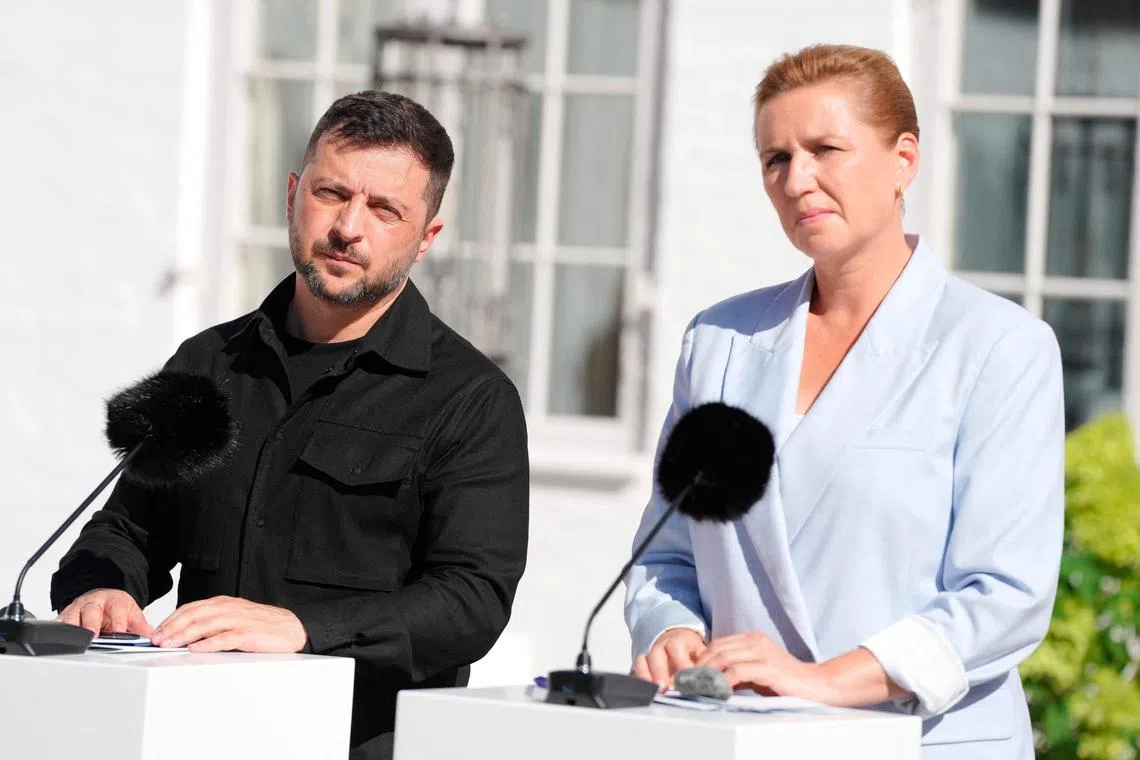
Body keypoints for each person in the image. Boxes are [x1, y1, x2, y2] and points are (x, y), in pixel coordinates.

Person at [51, 91, 530, 760]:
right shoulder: (206, 363)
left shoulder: (472, 399)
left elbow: (470, 602)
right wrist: (102, 589)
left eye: (384, 209)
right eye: (332, 194)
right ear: (292, 195)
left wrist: (305, 628)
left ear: (426, 239)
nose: (348, 227)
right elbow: (129, 529)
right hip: (189, 736)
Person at [624, 44, 1063, 759]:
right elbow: (666, 554)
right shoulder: (720, 341)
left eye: (826, 148)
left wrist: (825, 680)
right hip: (743, 737)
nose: (798, 180)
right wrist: (672, 634)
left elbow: (1005, 595)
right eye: (776, 159)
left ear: (904, 160)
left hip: (926, 742)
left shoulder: (998, 347)